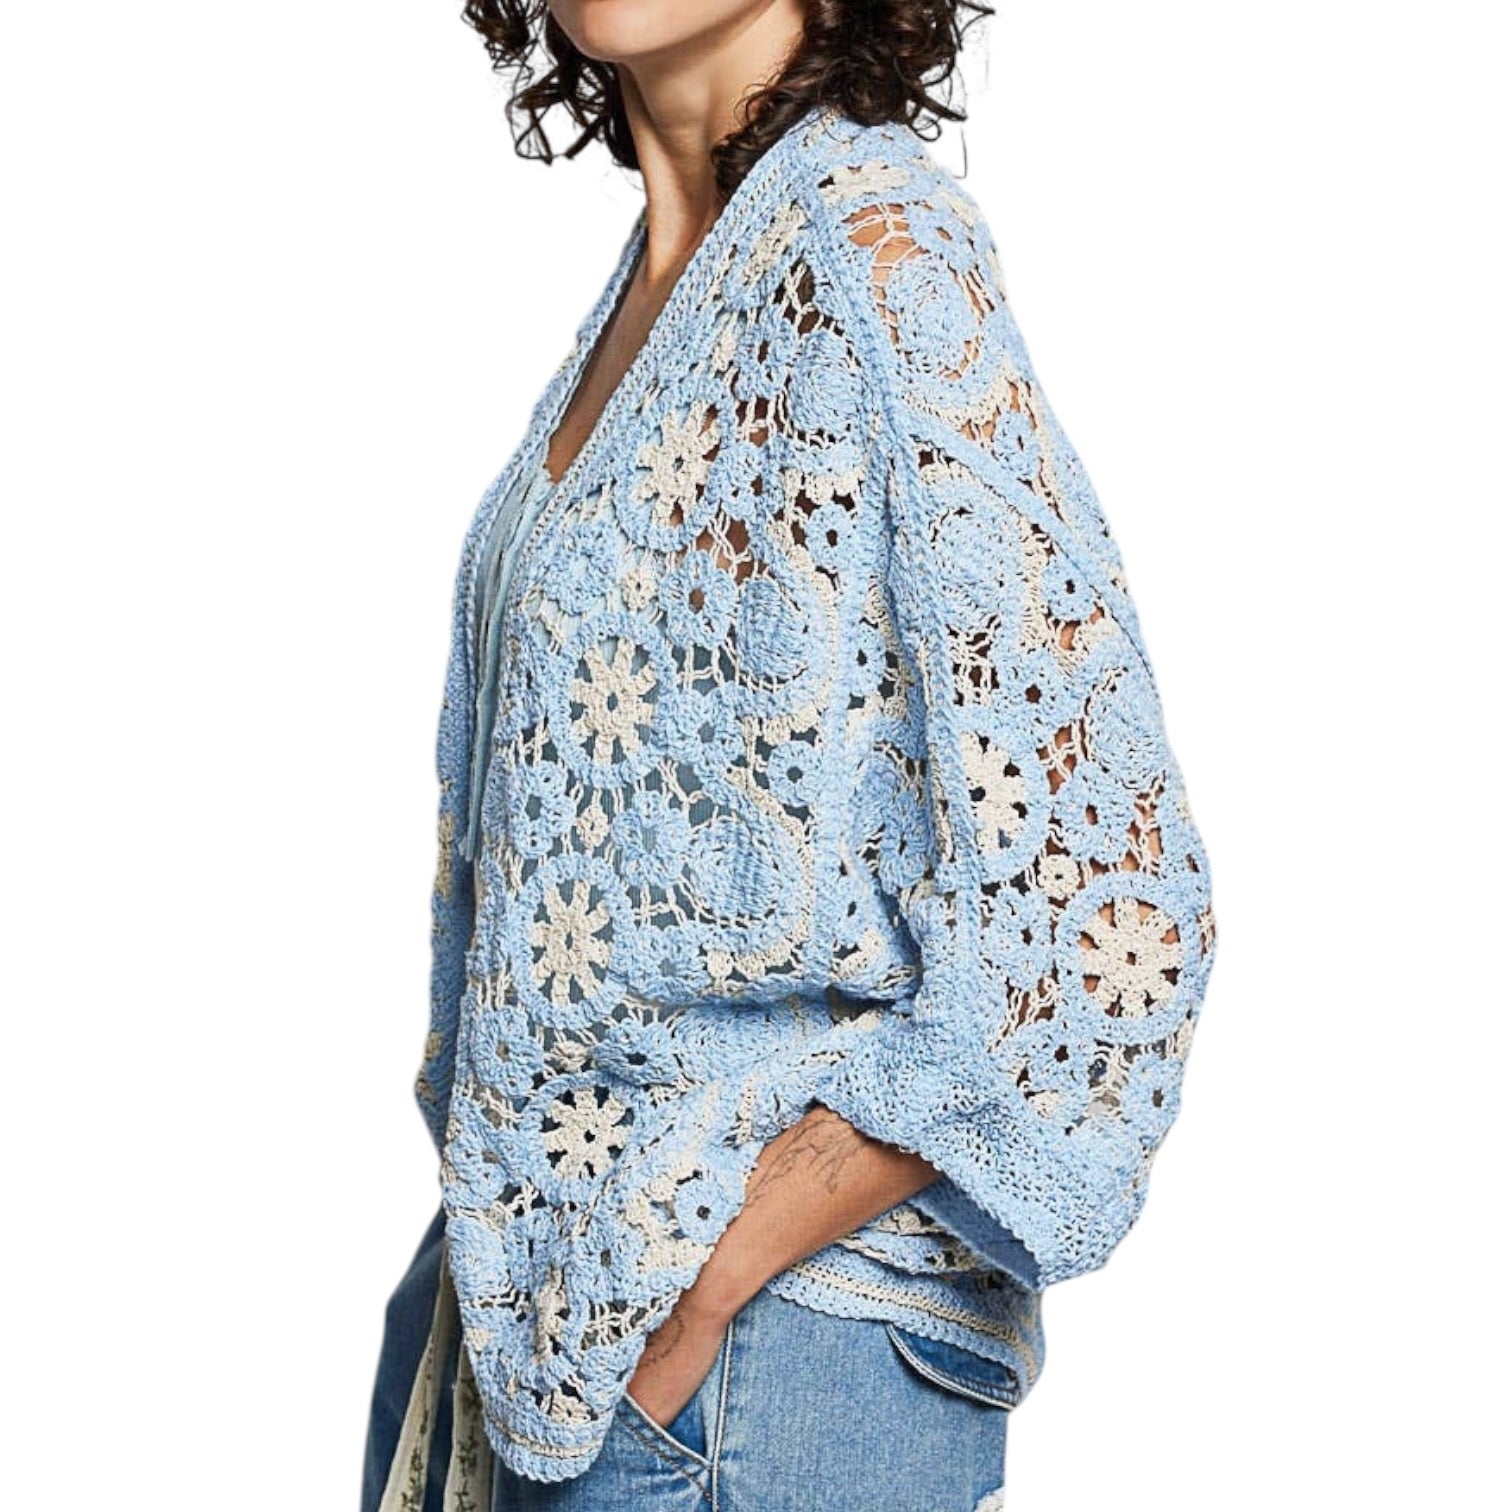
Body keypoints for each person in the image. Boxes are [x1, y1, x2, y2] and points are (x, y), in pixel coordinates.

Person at [361, 3, 1217, 1509]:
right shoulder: (673, 279)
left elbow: (1110, 920)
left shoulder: (873, 254)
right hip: (532, 1324)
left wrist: (712, 1269)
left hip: (749, 1375)